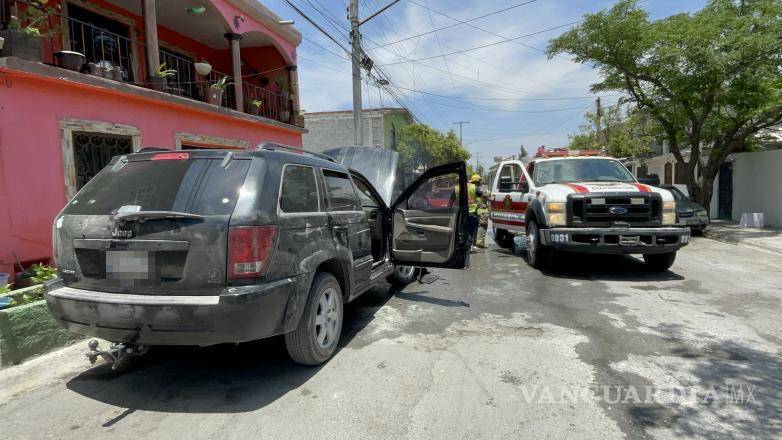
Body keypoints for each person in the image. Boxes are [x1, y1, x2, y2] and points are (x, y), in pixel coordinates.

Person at [470, 174, 490, 248]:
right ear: (479, 181)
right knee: (483, 225)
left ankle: (473, 242)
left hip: (473, 210)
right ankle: (480, 243)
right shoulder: (481, 189)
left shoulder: (470, 189)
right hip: (482, 210)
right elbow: (488, 195)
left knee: (474, 226)